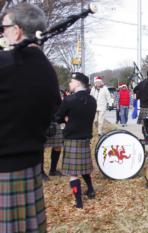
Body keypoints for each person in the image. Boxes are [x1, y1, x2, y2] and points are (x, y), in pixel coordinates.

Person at [0, 3, 60, 232]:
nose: (1, 33)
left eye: (3, 27)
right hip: (29, 168)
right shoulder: (47, 71)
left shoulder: (6, 65)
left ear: (16, 31)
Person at [56, 73, 97, 209]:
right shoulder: (92, 100)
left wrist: (66, 119)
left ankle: (79, 204)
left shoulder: (69, 100)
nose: (69, 84)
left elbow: (58, 117)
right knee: (84, 168)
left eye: (71, 81)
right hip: (85, 138)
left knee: (73, 173)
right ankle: (90, 189)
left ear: (78, 83)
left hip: (72, 139)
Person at [134, 70, 148, 145]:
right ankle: (146, 139)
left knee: (144, 124)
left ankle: (145, 138)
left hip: (143, 106)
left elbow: (134, 90)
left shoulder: (141, 83)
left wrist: (139, 95)